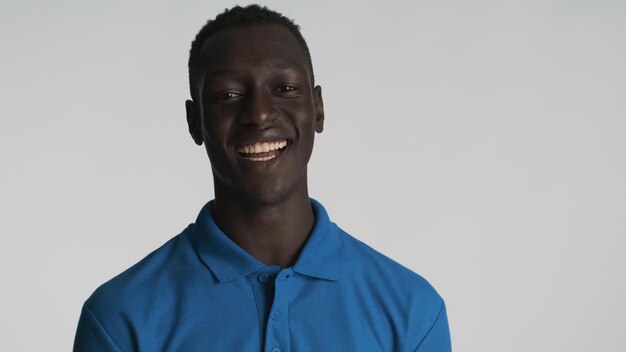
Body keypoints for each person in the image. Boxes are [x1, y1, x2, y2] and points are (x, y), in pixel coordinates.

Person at [73, 5, 451, 351]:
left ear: (317, 109)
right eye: (228, 94)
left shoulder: (411, 309)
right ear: (195, 122)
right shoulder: (120, 319)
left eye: (285, 89)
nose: (259, 114)